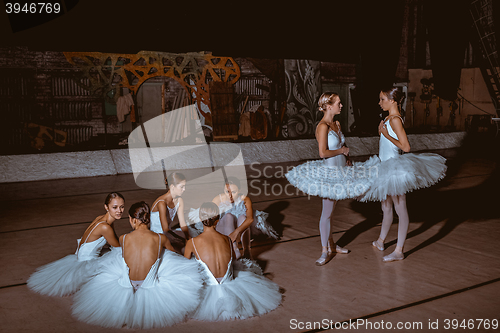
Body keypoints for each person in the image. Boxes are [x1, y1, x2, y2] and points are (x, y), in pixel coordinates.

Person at [72, 201, 203, 329]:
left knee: (117, 257)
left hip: (126, 284)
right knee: (166, 256)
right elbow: (175, 257)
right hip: (149, 285)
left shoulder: (123, 238)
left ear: (133, 220)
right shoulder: (160, 238)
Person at [365, 87, 447, 262]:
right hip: (384, 166)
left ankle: (399, 250)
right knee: (385, 207)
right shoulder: (388, 118)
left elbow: (406, 147)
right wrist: (382, 134)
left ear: (392, 100)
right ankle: (380, 241)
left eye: (382, 99)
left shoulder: (395, 120)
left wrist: (386, 134)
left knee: (400, 208)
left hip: (394, 168)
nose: (379, 103)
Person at [286, 93, 360, 266]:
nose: (341, 106)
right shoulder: (322, 126)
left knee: (331, 212)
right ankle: (324, 250)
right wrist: (342, 152)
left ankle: (332, 244)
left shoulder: (337, 124)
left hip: (341, 172)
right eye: (339, 103)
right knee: (326, 213)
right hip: (329, 174)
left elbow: (342, 146)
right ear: (328, 106)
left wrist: (347, 158)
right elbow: (323, 153)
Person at [184, 202, 281, 321]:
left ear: (200, 219)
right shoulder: (228, 239)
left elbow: (185, 267)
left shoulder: (192, 242)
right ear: (218, 219)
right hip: (231, 283)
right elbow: (232, 260)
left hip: (209, 287)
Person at [27, 192, 124, 296]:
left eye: (122, 207)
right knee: (121, 258)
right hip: (87, 262)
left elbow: (115, 241)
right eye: (115, 207)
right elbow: (118, 247)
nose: (119, 211)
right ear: (106, 207)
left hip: (79, 255)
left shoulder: (102, 218)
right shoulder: (105, 227)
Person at [150, 172, 189, 253]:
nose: (184, 189)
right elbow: (165, 229)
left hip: (169, 233)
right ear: (172, 187)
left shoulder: (179, 200)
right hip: (158, 235)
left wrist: (188, 238)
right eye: (182, 187)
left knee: (191, 244)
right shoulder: (162, 203)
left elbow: (182, 223)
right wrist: (181, 240)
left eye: (184, 186)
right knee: (180, 251)